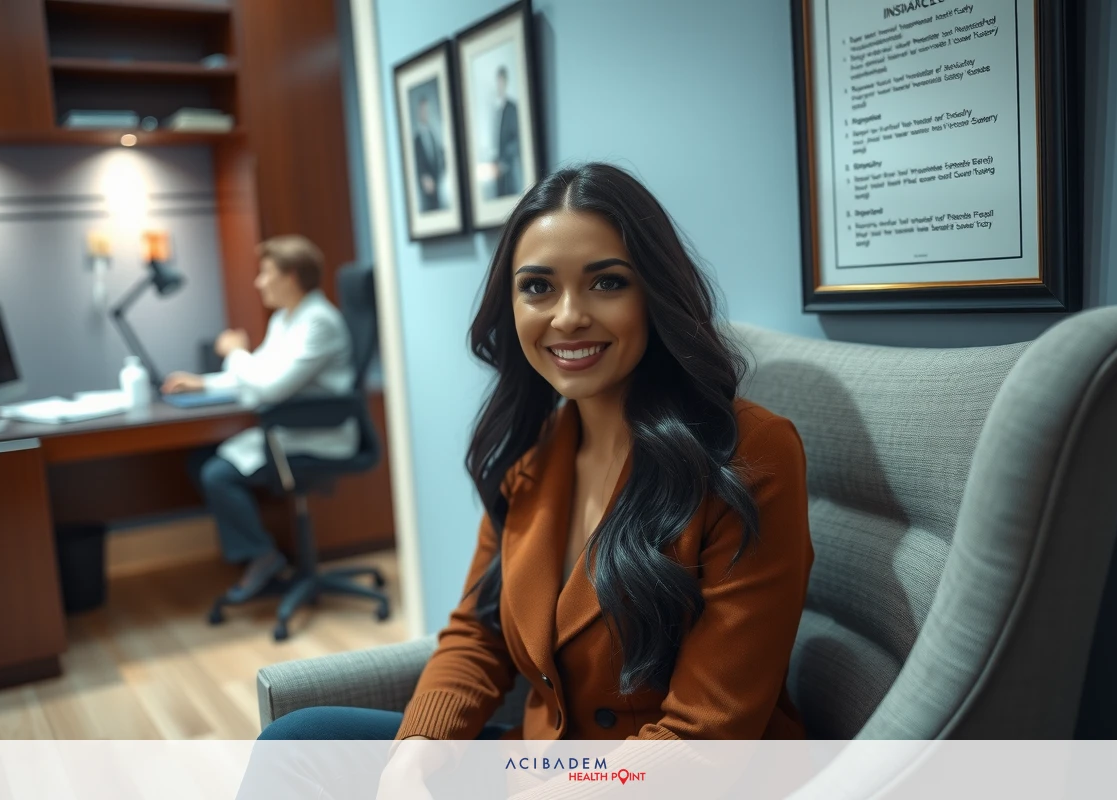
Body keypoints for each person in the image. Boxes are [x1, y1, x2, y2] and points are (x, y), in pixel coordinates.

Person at [248, 162, 813, 784]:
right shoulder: (535, 451)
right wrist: (413, 759)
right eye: (538, 288)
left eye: (607, 283)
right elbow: (478, 632)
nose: (567, 316)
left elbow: (708, 734)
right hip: (541, 763)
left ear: (655, 294)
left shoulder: (749, 454)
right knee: (295, 743)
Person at [163, 235, 358, 603]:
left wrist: (236, 353)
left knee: (215, 473)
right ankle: (260, 554)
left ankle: (263, 556)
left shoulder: (319, 323)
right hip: (287, 430)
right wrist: (202, 383)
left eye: (266, 273)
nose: (258, 282)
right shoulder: (287, 319)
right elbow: (259, 373)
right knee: (201, 461)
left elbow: (267, 388)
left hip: (317, 434)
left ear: (292, 276)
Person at [490, 65, 521, 197]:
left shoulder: (512, 108)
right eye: (498, 82)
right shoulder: (494, 110)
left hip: (509, 167)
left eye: (501, 82)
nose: (499, 85)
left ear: (506, 83)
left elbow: (517, 139)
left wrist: (505, 161)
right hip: (496, 166)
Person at [413, 93, 445, 212]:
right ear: (419, 112)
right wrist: (424, 178)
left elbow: (440, 157)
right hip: (425, 190)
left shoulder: (433, 135)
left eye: (427, 110)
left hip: (437, 185)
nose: (425, 113)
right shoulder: (416, 139)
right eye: (423, 110)